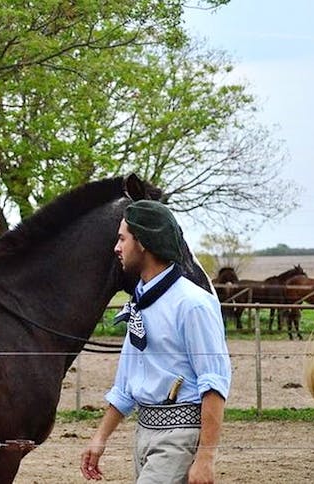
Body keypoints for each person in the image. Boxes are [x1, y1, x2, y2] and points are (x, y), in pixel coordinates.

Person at [80, 200, 232, 483]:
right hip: (144, 433)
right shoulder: (141, 303)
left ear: (144, 243)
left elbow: (214, 382)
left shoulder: (193, 304)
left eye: (122, 239)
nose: (116, 247)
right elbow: (125, 384)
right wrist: (100, 438)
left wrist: (206, 458)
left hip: (179, 436)